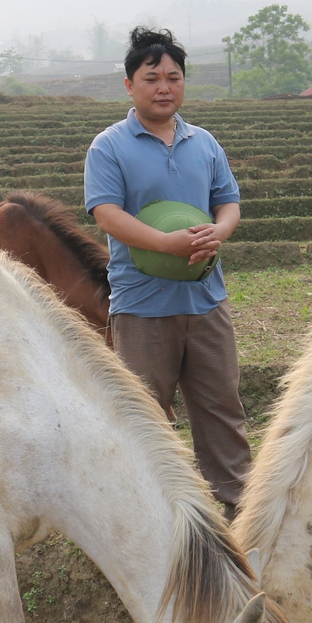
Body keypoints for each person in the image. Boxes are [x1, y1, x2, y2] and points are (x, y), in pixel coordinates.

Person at [84, 28, 252, 510]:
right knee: (145, 415)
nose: (164, 86)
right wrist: (164, 243)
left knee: (221, 407)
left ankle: (237, 506)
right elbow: (106, 213)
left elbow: (229, 203)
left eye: (173, 77)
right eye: (152, 77)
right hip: (142, 305)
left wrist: (218, 234)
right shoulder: (110, 146)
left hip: (205, 301)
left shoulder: (204, 143)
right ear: (129, 85)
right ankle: (148, 508)